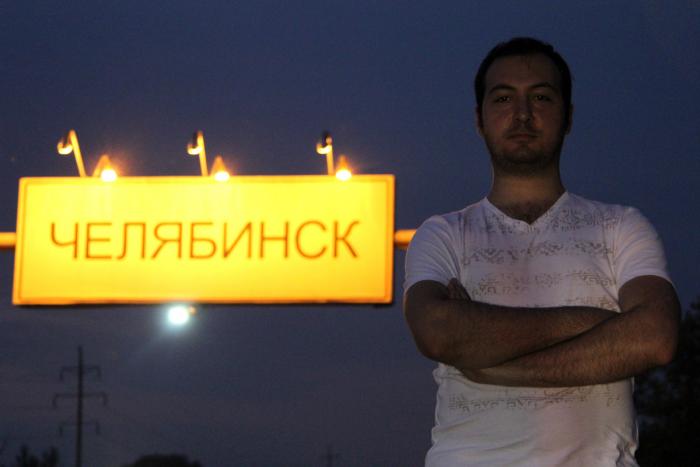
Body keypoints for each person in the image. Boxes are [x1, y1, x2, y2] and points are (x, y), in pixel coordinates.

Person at [403, 37, 680, 466]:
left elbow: (656, 337)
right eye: (503, 98)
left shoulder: (621, 227)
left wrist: (491, 364)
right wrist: (595, 324)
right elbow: (437, 332)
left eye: (541, 97)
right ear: (479, 119)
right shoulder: (443, 234)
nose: (522, 114)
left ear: (568, 116)